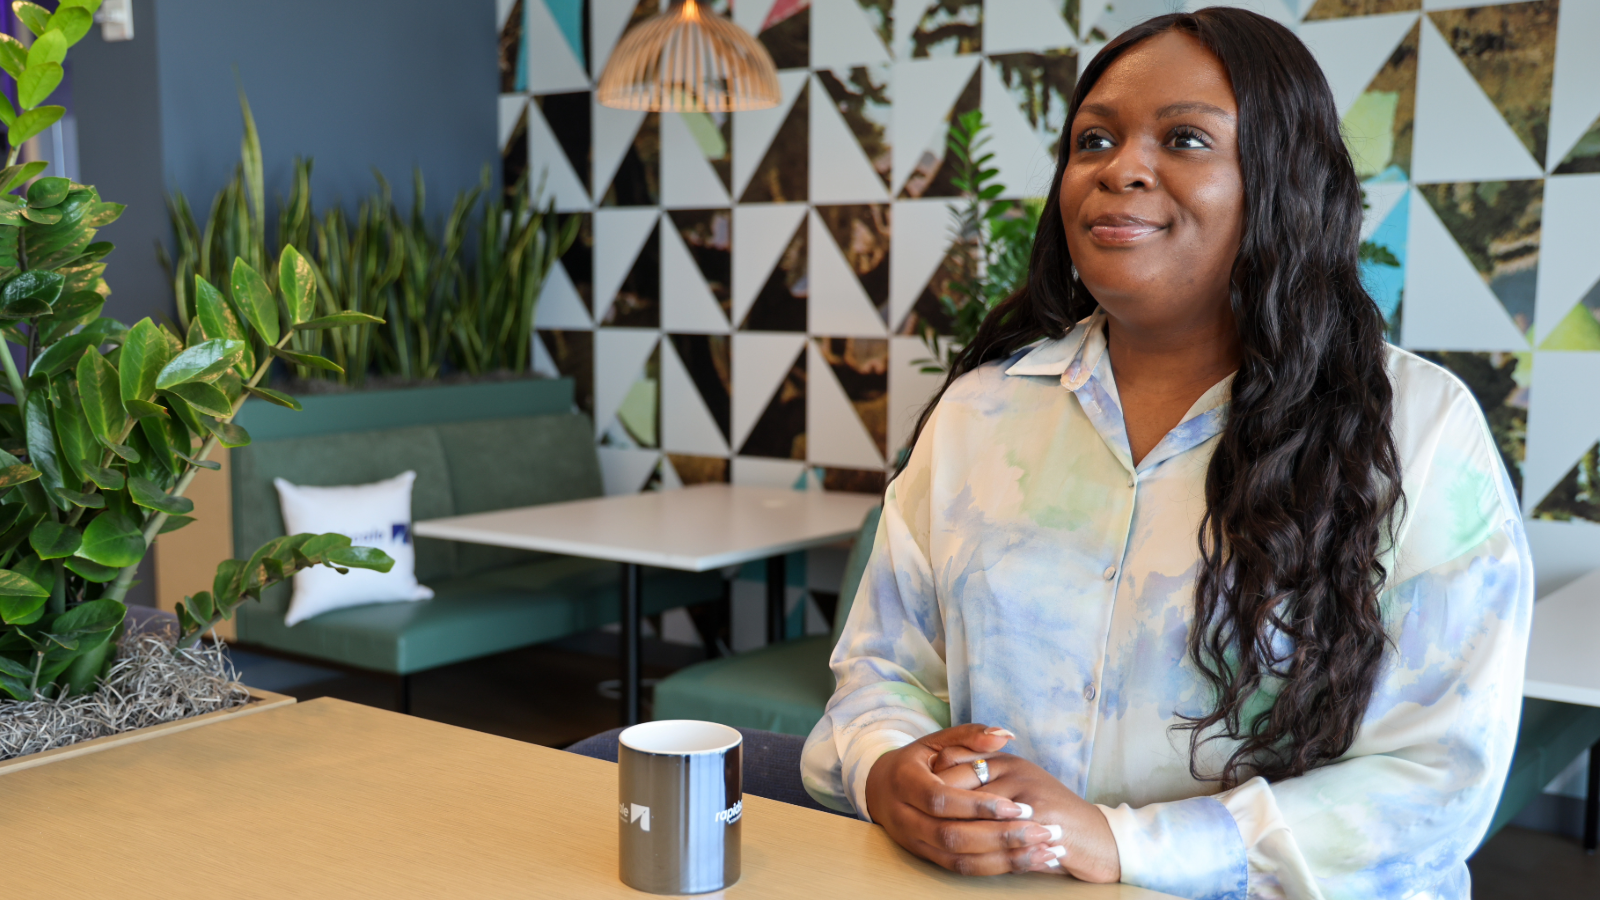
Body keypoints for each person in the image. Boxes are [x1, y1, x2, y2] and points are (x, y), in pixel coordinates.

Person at [799, 8, 1533, 900]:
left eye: (1185, 138)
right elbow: (882, 670)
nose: (1121, 167)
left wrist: (1119, 844)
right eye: (1092, 140)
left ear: (1282, 179)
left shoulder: (1416, 432)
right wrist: (887, 772)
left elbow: (1435, 786)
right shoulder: (980, 413)